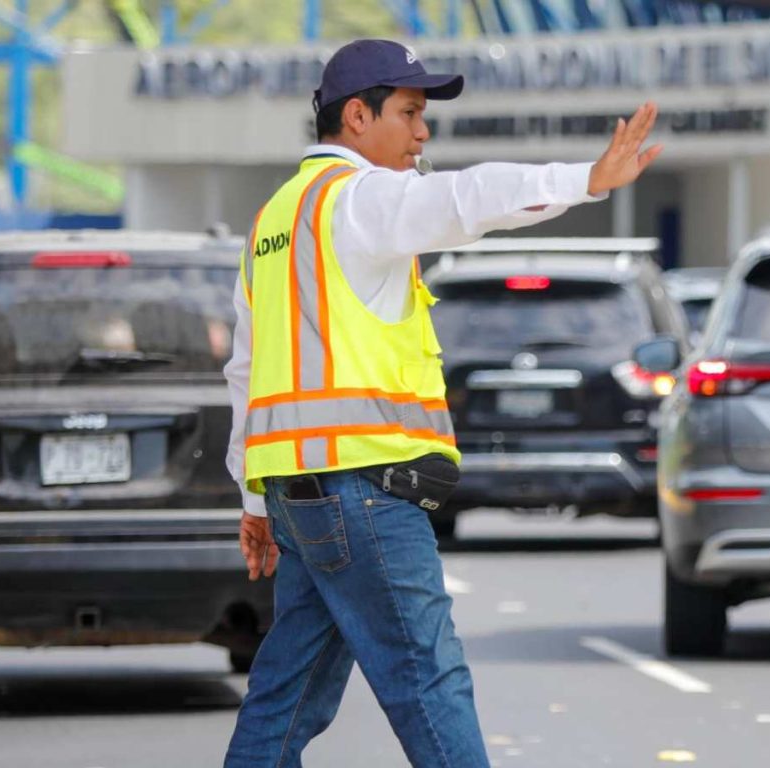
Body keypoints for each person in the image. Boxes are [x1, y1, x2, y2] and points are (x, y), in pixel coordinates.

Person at [222, 38, 662, 768]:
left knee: (286, 696)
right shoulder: (360, 199)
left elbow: (246, 371)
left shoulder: (273, 221)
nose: (423, 133)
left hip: (300, 499)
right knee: (429, 681)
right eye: (410, 112)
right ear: (357, 117)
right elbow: (465, 197)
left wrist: (256, 499)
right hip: (366, 492)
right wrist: (587, 179)